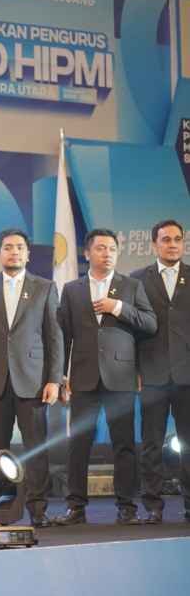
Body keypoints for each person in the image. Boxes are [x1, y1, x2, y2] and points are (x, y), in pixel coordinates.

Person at [55, 228, 157, 526]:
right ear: (87, 253)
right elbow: (63, 335)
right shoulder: (72, 289)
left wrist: (119, 308)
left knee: (123, 444)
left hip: (121, 377)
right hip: (84, 377)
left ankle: (127, 507)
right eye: (101, 248)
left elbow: (150, 323)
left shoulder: (132, 286)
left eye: (112, 248)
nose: (107, 253)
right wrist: (61, 375)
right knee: (79, 445)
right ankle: (75, 507)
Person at [0, 228, 63, 527]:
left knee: (36, 447)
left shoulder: (45, 287)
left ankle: (38, 509)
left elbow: (54, 337)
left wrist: (54, 380)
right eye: (8, 247)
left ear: (28, 253)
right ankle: (0, 508)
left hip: (33, 381)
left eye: (20, 247)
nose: (14, 252)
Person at [132, 220, 190, 524]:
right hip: (151, 374)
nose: (173, 245)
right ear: (155, 244)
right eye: (166, 239)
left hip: (187, 375)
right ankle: (153, 506)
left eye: (177, 239)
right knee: (151, 444)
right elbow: (130, 330)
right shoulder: (137, 280)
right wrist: (135, 370)